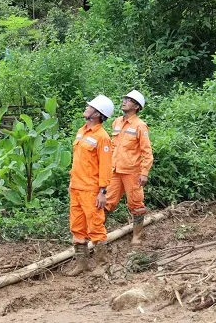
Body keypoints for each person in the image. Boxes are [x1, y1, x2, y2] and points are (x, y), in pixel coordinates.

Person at [64, 95, 114, 276]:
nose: (86, 107)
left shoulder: (103, 137)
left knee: (95, 227)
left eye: (90, 106)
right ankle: (81, 264)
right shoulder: (82, 131)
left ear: (97, 114)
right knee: (77, 226)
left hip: (91, 190)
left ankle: (102, 265)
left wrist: (103, 191)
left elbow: (106, 167)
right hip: (77, 188)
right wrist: (72, 182)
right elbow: (77, 161)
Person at [105, 90, 153, 246]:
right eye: (125, 98)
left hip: (132, 172)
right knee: (107, 202)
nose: (124, 101)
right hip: (114, 171)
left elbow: (147, 152)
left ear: (137, 106)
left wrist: (144, 173)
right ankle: (98, 233)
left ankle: (137, 237)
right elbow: (112, 147)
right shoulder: (116, 122)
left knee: (136, 204)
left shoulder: (140, 126)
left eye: (129, 100)